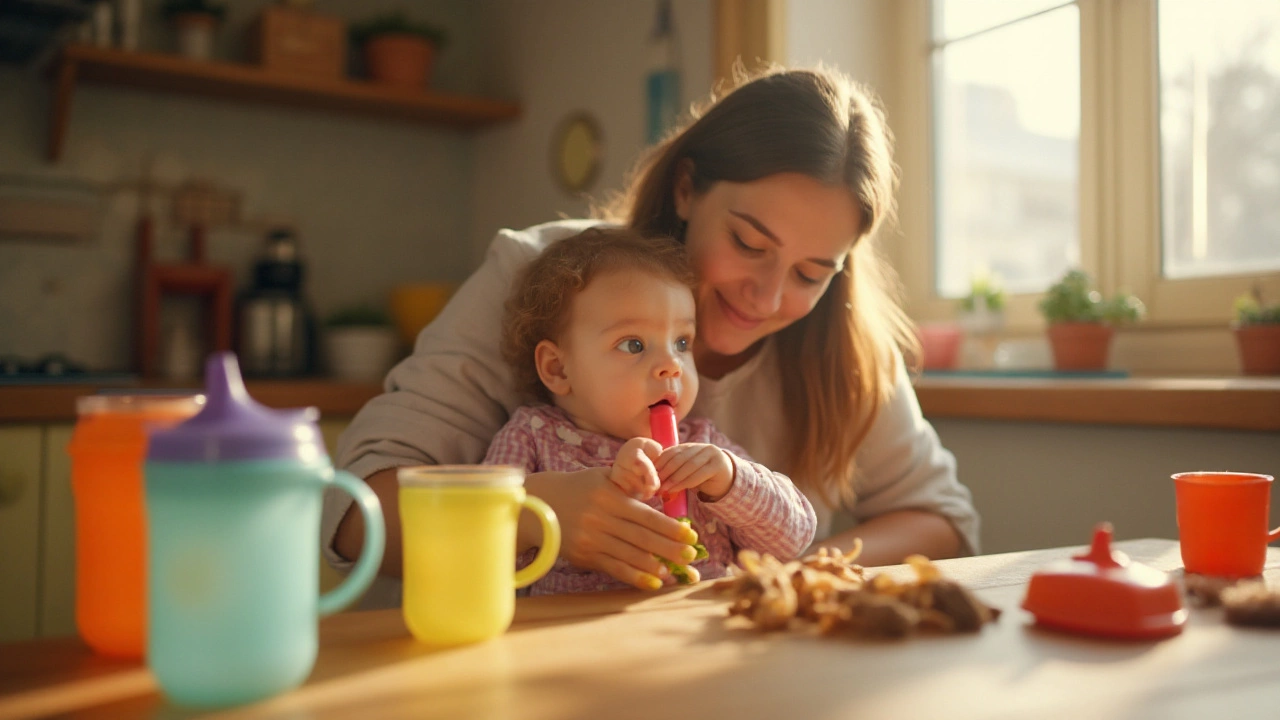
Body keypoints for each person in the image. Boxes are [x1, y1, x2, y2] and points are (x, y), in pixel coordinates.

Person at [323, 65, 979, 608]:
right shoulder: (545, 281)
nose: (770, 296)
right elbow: (353, 516)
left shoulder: (845, 345)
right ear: (688, 188)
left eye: (812, 272)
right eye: (748, 243)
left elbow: (944, 523)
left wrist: (795, 572)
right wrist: (533, 510)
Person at [485, 227, 816, 595]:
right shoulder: (531, 435)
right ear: (558, 369)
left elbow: (794, 539)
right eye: (634, 344)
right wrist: (541, 509)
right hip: (574, 642)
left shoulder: (705, 447)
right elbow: (475, 547)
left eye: (682, 342)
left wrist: (731, 481)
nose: (671, 365)